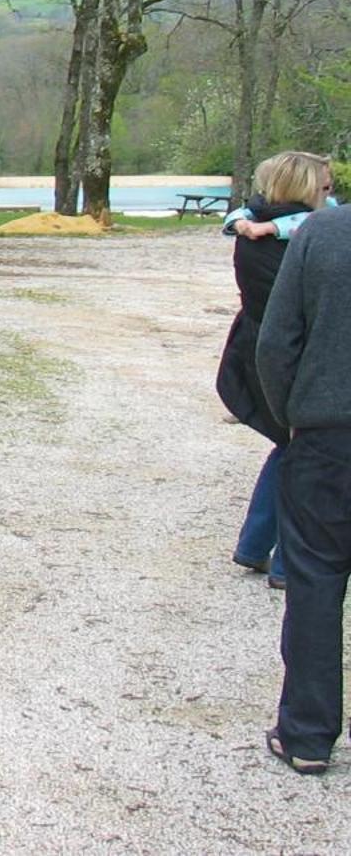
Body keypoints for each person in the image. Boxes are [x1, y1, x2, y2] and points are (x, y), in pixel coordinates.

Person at [256, 174, 351, 774]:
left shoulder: (324, 231)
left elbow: (276, 342)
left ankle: (308, 735)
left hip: (327, 431)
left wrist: (292, 415)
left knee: (315, 580)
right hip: (324, 426)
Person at [218, 153, 335, 587]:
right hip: (289, 358)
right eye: (325, 188)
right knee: (307, 456)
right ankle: (289, 564)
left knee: (288, 448)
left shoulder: (255, 226)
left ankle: (254, 544)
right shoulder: (302, 235)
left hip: (257, 353)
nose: (332, 195)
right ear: (305, 189)